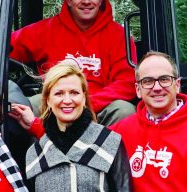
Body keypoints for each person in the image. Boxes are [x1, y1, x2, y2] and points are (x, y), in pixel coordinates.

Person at [0, 0, 137, 125]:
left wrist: (84, 103)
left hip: (98, 107)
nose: (86, 1)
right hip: (52, 103)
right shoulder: (46, 29)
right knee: (16, 109)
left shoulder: (119, 35)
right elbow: (3, 42)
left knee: (124, 110)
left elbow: (127, 83)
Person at [109, 51, 187, 191]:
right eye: (147, 81)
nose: (157, 87)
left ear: (177, 84)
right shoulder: (120, 131)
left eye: (164, 79)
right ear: (138, 89)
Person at [11, 62, 132, 192]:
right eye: (59, 94)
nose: (67, 100)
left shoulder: (109, 141)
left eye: (74, 93)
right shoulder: (34, 153)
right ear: (48, 100)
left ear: (84, 98)